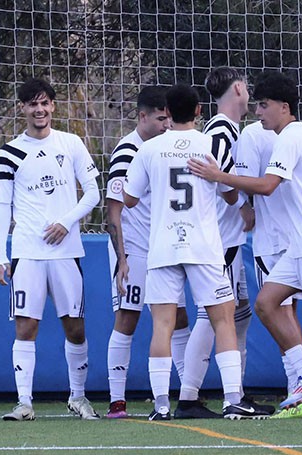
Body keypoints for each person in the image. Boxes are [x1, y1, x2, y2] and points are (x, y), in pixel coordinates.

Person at [188, 71, 302, 419]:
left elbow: (267, 186)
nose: (258, 111)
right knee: (267, 303)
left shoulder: (291, 137)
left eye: (264, 105)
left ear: (284, 107)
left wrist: (218, 176)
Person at [123, 84, 270, 420]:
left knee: (162, 324)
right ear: (200, 112)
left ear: (167, 114)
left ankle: (161, 405)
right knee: (223, 320)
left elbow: (129, 199)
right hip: (203, 245)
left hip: (163, 246)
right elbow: (231, 196)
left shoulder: (149, 149)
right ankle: (233, 398)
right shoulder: (211, 145)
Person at [0, 77, 101, 421]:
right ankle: (25, 402)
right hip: (28, 253)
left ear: (53, 106)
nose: (39, 110)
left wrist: (66, 222)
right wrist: (0, 255)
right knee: (25, 327)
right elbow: (2, 206)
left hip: (67, 253)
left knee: (75, 328)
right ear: (22, 109)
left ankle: (78, 398)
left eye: (44, 103)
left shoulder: (71, 143)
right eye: (32, 104)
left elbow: (93, 193)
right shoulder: (9, 151)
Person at [175, 67, 273, 419]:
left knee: (239, 312)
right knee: (213, 312)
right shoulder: (219, 131)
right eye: (246, 88)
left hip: (227, 235)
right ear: (237, 88)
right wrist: (241, 202)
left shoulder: (228, 130)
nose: (249, 95)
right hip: (219, 237)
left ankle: (237, 392)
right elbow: (217, 183)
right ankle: (190, 396)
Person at [104, 86, 191, 419]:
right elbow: (112, 211)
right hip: (135, 250)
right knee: (128, 317)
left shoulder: (166, 147)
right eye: (160, 118)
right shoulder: (127, 150)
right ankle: (117, 400)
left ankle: (186, 393)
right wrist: (122, 259)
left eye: (168, 117)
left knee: (179, 317)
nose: (166, 124)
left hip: (166, 249)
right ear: (142, 116)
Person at [237, 119, 302, 419]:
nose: (258, 109)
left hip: (272, 239)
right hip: (300, 235)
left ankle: (301, 391)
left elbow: (248, 185)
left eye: (263, 103)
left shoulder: (253, 134)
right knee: (292, 312)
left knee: (277, 311)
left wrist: (223, 181)